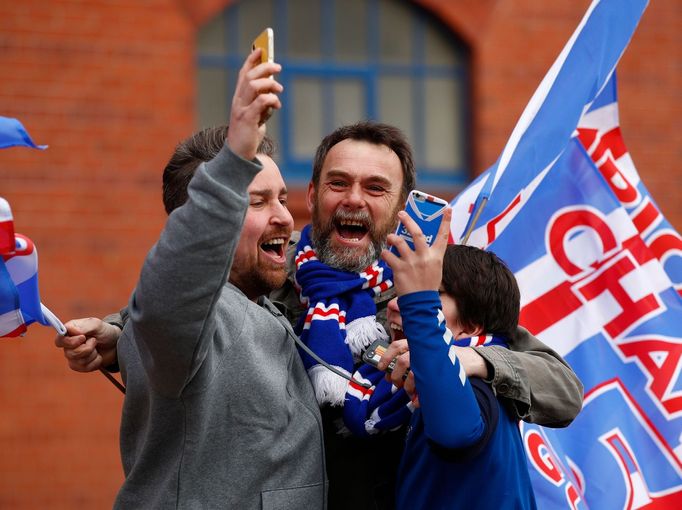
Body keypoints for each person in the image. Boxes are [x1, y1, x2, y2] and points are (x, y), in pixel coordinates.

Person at [58, 121, 582, 508]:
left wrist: (471, 363)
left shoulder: (434, 295)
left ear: (401, 208)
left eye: (376, 188)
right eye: (338, 183)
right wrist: (119, 330)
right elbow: (188, 305)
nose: (353, 199)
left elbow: (561, 389)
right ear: (312, 195)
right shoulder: (275, 278)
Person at [72, 49, 326, 508]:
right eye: (256, 202)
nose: (285, 218)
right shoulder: (186, 321)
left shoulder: (272, 301)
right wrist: (236, 153)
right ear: (209, 217)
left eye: (282, 199)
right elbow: (172, 293)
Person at [380, 208, 536, 509]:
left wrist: (420, 308)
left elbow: (456, 432)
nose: (397, 304)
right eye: (402, 293)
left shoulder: (477, 388)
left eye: (430, 294)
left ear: (470, 327)